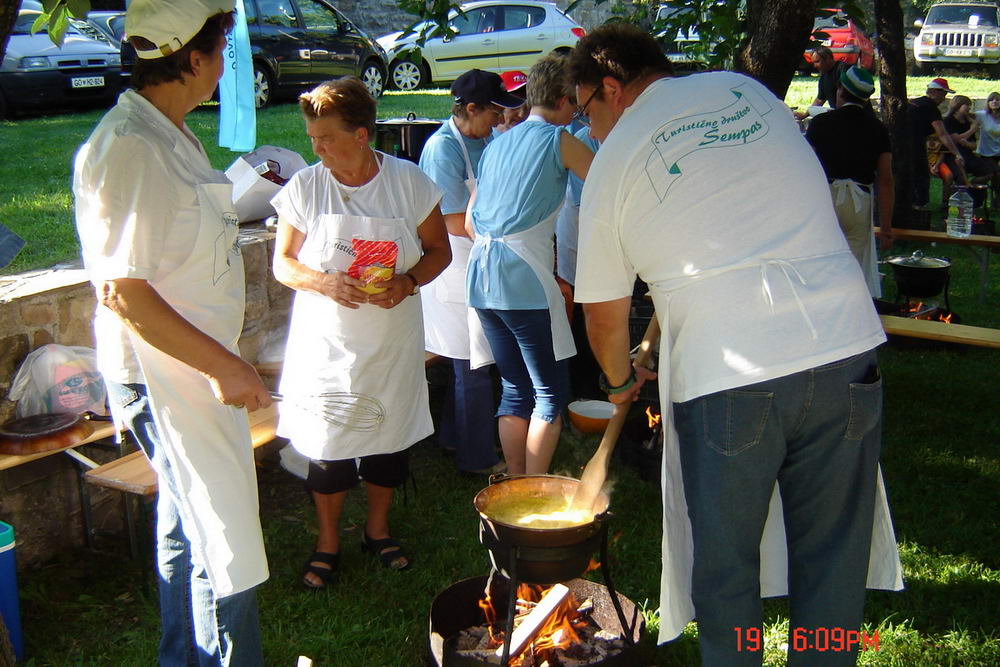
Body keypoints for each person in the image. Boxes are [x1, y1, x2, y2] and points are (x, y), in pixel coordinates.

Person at [568, 23, 902, 666]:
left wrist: (616, 385)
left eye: (588, 111)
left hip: (729, 376)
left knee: (725, 569)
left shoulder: (612, 160)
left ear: (611, 88)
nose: (591, 128)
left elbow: (603, 318)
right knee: (833, 556)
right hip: (845, 349)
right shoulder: (746, 93)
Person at [73, 1, 270, 664]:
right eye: (221, 52)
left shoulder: (168, 132)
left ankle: (179, 656)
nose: (225, 66)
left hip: (189, 363)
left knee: (188, 520)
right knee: (222, 531)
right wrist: (223, 365)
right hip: (164, 373)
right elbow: (122, 291)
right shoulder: (130, 148)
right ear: (192, 58)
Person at [272, 78, 450, 589]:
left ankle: (377, 529)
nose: (318, 148)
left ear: (362, 134)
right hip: (326, 342)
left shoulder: (408, 182)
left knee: (387, 441)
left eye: (327, 137)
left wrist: (408, 280)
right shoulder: (307, 187)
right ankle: (327, 541)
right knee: (326, 445)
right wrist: (324, 281)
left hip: (391, 340)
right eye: (312, 138)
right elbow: (283, 264)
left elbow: (439, 249)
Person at [465, 53, 593, 475]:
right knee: (548, 395)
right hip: (523, 279)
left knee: (514, 388)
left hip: (482, 278)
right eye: (574, 102)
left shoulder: (497, 143)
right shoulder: (560, 140)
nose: (576, 110)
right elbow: (607, 189)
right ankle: (534, 486)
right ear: (561, 98)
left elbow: (470, 222)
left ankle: (516, 479)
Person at [419, 69, 521, 476]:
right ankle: (476, 458)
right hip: (455, 266)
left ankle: (453, 437)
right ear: (470, 109)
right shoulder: (443, 149)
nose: (500, 120)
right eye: (494, 112)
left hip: (483, 260)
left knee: (473, 363)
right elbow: (449, 218)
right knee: (473, 367)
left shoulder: (487, 140)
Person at [806, 65, 894, 298]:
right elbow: (885, 180)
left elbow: (807, 167)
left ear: (841, 90)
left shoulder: (820, 123)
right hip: (858, 201)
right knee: (852, 266)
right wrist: (885, 227)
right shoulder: (877, 129)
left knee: (821, 259)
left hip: (824, 198)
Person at [555, 121, 604, 399]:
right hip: (580, 241)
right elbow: (590, 200)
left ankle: (599, 384)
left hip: (603, 244)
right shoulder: (583, 139)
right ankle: (584, 392)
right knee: (583, 317)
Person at [909, 78, 964, 208]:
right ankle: (917, 209)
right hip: (915, 146)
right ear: (934, 92)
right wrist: (957, 154)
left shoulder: (914, 102)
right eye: (943, 94)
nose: (944, 98)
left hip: (900, 146)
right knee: (920, 179)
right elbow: (942, 134)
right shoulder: (931, 107)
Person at [941, 94, 1000, 202]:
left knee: (990, 171)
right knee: (959, 177)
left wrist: (967, 143)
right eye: (966, 105)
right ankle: (949, 203)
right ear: (958, 106)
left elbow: (973, 145)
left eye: (970, 105)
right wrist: (972, 130)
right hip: (952, 156)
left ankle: (973, 191)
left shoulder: (967, 122)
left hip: (968, 155)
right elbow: (954, 139)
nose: (969, 108)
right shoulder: (948, 121)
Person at [794, 46, 846, 119]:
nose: (815, 66)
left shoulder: (843, 70)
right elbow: (820, 100)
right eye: (813, 63)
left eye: (817, 61)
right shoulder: (824, 77)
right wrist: (804, 115)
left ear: (828, 58)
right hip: (839, 115)